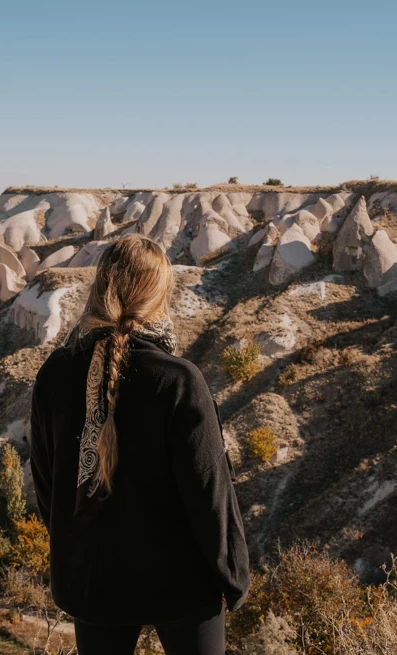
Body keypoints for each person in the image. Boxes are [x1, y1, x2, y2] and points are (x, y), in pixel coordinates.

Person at [30, 233, 250, 655]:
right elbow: (210, 494)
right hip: (180, 583)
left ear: (101, 287)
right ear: (159, 296)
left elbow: (46, 481)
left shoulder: (57, 373)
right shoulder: (179, 381)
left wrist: (76, 543)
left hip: (94, 579)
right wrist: (232, 578)